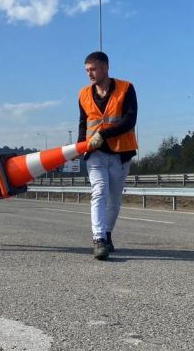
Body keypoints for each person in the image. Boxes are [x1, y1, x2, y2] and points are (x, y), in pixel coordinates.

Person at [77, 51, 138, 260]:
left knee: (114, 200)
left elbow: (130, 120)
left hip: (121, 153)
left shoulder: (126, 88)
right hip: (95, 153)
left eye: (92, 69)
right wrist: (79, 147)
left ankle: (107, 233)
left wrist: (103, 134)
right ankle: (99, 239)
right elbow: (83, 123)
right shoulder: (83, 94)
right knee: (99, 191)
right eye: (87, 70)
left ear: (105, 68)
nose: (89, 74)